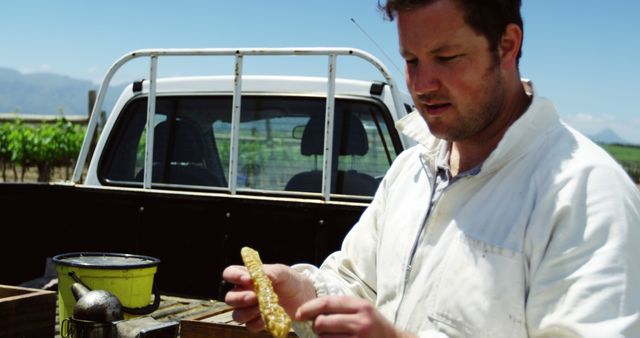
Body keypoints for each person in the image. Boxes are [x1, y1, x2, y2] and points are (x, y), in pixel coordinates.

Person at [223, 0, 640, 336]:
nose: (422, 84)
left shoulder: (587, 192)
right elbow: (360, 284)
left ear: (507, 46)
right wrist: (303, 294)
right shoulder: (412, 170)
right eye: (411, 59)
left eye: (446, 57)